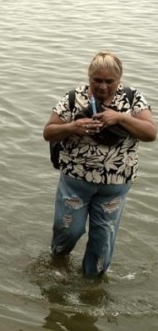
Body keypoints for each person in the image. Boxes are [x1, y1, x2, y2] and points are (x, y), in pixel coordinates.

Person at [43, 51, 155, 277]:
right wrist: (72, 127)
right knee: (68, 231)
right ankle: (58, 262)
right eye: (97, 80)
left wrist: (120, 118)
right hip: (75, 182)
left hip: (115, 185)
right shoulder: (73, 98)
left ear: (119, 79)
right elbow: (48, 132)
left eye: (109, 81)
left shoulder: (133, 98)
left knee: (102, 241)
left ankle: (92, 282)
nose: (103, 87)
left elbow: (151, 133)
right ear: (89, 77)